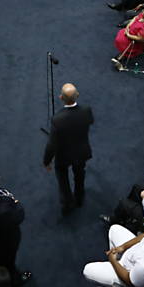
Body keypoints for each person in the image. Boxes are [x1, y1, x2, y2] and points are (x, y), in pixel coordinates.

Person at [82, 221, 144, 287]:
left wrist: (113, 261)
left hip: (129, 274)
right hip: (133, 256)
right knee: (114, 229)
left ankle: (112, 280)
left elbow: (128, 280)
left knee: (87, 270)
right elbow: (143, 236)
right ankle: (112, 264)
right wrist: (122, 247)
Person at [43, 83, 94, 215]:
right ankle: (79, 198)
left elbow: (52, 145)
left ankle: (67, 203)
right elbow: (90, 121)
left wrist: (47, 161)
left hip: (64, 156)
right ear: (77, 95)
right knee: (80, 174)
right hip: (81, 152)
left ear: (61, 98)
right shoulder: (86, 110)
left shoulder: (57, 119)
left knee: (63, 179)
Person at [112, 6, 144, 70]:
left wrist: (128, 35)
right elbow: (134, 19)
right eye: (143, 11)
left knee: (122, 42)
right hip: (129, 32)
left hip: (134, 40)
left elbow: (141, 39)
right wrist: (128, 27)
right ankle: (123, 53)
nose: (142, 13)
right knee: (120, 38)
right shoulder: (143, 15)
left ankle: (124, 56)